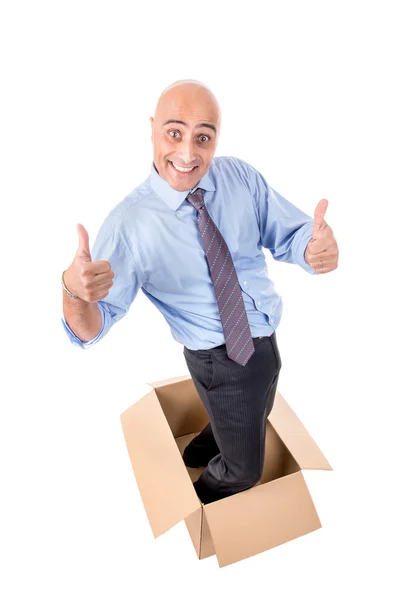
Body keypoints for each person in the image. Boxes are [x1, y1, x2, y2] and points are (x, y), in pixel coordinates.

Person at [61, 79, 339, 505]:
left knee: (258, 407)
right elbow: (90, 329)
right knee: (245, 470)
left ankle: (205, 445)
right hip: (219, 360)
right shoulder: (128, 225)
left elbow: (293, 234)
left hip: (263, 340)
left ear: (215, 139)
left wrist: (312, 248)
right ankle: (205, 495)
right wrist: (73, 291)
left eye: (203, 137)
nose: (188, 153)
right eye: (174, 132)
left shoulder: (239, 176)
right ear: (153, 128)